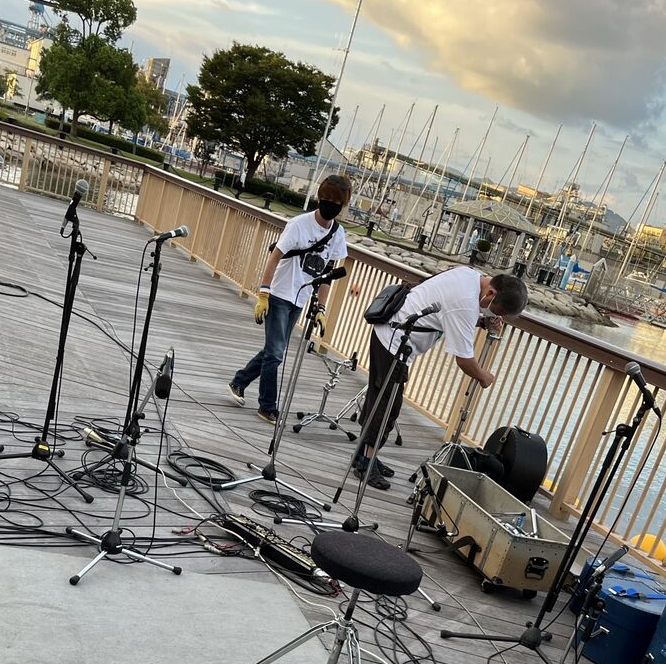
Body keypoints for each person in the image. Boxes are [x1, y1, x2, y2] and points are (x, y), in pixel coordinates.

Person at [355, 267, 528, 489]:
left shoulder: (468, 275)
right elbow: (464, 360)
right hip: (394, 341)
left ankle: (364, 455)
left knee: (379, 398)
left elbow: (447, 313)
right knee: (387, 406)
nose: (496, 315)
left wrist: (481, 322)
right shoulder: (465, 302)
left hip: (390, 330)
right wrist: (484, 376)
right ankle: (365, 463)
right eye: (497, 310)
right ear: (491, 293)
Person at [226, 174, 351, 424]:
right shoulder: (298, 225)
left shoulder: (337, 234)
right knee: (276, 353)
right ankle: (267, 406)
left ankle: (239, 381)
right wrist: (264, 293)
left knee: (275, 349)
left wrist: (321, 308)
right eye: (328, 200)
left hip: (300, 298)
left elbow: (328, 275)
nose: (332, 206)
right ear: (319, 198)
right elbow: (274, 257)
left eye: (337, 203)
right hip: (280, 293)